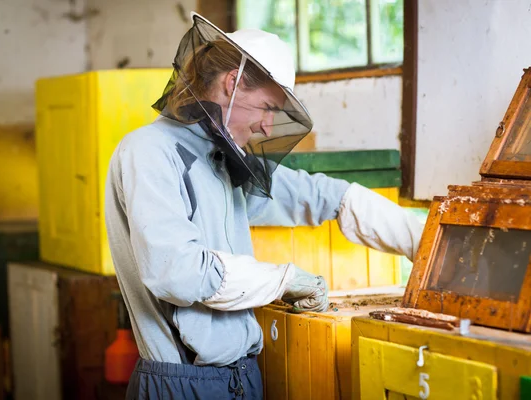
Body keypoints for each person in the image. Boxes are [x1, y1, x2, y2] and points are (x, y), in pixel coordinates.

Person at [105, 12, 423, 400]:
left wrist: (425, 242)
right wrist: (283, 280)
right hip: (181, 383)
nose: (269, 128)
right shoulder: (149, 152)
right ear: (233, 83)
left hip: (243, 378)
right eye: (268, 108)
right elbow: (175, 272)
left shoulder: (223, 161)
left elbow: (323, 196)